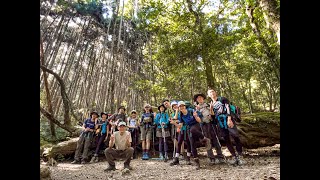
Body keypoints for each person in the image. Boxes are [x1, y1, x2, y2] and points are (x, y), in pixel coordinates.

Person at [207, 88, 245, 165]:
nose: (212, 93)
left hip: (227, 119)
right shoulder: (211, 104)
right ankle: (234, 156)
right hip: (220, 122)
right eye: (210, 93)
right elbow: (213, 117)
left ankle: (240, 155)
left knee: (235, 136)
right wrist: (211, 108)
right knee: (226, 139)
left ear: (215, 92)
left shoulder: (223, 99)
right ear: (208, 95)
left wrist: (229, 118)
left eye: (213, 91)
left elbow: (228, 108)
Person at [176, 101, 212, 170]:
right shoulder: (180, 115)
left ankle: (204, 138)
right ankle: (197, 163)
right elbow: (180, 126)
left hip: (196, 125)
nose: (181, 107)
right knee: (192, 144)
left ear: (185, 106)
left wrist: (195, 116)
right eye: (180, 106)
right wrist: (174, 124)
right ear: (179, 108)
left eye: (182, 106)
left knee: (193, 130)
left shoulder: (191, 111)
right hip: (189, 128)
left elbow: (199, 121)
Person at [194, 93, 225, 165]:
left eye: (201, 97)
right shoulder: (195, 108)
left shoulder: (208, 105)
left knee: (216, 140)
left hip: (211, 124)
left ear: (203, 98)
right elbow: (197, 118)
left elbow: (214, 114)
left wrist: (211, 114)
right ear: (196, 100)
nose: (200, 99)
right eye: (198, 98)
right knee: (207, 141)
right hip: (203, 125)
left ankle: (220, 157)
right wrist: (197, 111)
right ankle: (211, 158)